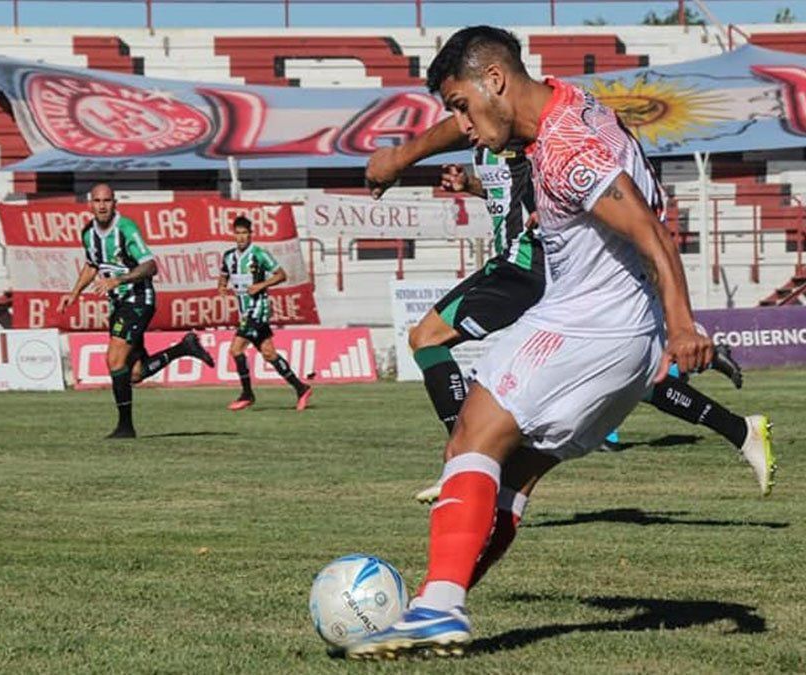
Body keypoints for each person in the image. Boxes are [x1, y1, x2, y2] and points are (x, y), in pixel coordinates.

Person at [346, 26, 727, 658]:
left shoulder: (569, 147)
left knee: (470, 436)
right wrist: (404, 155)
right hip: (629, 346)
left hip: (589, 323)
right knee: (510, 480)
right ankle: (435, 606)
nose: (463, 127)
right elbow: (482, 120)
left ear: (494, 80)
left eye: (462, 107)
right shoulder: (551, 106)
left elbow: (649, 231)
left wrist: (684, 323)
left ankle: (437, 608)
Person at [366, 82, 769, 504]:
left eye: (464, 107)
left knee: (427, 338)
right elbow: (509, 188)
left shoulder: (519, 128)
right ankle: (740, 430)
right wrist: (471, 185)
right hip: (538, 266)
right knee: (632, 375)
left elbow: (573, 180)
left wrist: (400, 157)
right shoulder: (488, 135)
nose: (464, 124)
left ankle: (469, 462)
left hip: (529, 263)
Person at [58, 183, 215, 438]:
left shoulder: (126, 229)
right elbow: (92, 265)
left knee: (114, 359)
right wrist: (74, 293)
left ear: (115, 203)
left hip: (138, 300)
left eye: (107, 201)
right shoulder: (88, 233)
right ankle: (184, 347)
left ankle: (125, 428)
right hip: (118, 304)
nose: (102, 206)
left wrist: (119, 280)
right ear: (90, 205)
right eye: (97, 201)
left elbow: (151, 266)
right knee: (134, 373)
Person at [216, 215, 312, 411]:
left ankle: (247, 394)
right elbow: (223, 277)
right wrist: (222, 287)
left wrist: (261, 285)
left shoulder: (259, 254)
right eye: (238, 233)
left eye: (244, 233)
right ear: (234, 234)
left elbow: (281, 275)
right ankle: (301, 388)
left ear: (251, 234)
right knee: (269, 353)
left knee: (236, 349)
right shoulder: (228, 256)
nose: (241, 237)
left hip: (258, 310)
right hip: (244, 312)